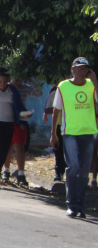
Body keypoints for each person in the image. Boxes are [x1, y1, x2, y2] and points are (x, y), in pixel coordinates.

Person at [50, 57, 98, 218]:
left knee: (84, 172)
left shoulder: (92, 86)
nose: (83, 71)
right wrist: (53, 134)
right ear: (73, 69)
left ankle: (79, 204)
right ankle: (71, 203)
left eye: (86, 69)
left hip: (88, 133)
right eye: (80, 68)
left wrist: (95, 81)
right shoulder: (63, 87)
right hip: (70, 133)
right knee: (73, 166)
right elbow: (56, 110)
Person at [0, 68, 28, 183]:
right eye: (0, 81)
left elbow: (19, 105)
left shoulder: (12, 90)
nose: (2, 84)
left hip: (9, 121)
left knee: (6, 146)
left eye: (5, 81)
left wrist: (25, 114)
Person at [4, 79, 36, 185]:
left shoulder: (25, 87)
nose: (18, 80)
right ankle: (6, 170)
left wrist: (32, 81)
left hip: (21, 120)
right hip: (8, 119)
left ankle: (21, 174)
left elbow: (39, 94)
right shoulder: (6, 87)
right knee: (8, 147)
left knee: (20, 147)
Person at [44, 85, 66, 182]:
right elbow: (48, 109)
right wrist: (59, 108)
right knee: (58, 149)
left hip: (74, 126)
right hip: (59, 124)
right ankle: (59, 172)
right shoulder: (55, 92)